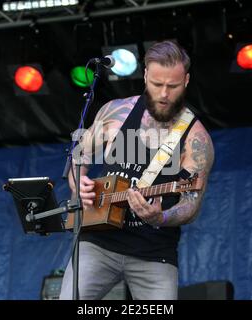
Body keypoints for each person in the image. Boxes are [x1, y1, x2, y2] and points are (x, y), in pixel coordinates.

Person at [59, 40, 214, 300]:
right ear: (144, 75)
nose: (164, 94)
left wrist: (160, 218)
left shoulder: (196, 140)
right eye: (156, 84)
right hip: (98, 240)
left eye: (172, 86)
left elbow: (191, 204)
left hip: (154, 251)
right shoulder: (115, 112)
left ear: (186, 81)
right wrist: (79, 184)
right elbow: (78, 157)